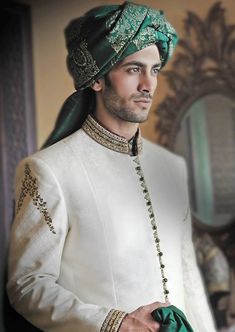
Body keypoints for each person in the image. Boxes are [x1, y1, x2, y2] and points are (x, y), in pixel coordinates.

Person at [7, 2, 216, 331]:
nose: (148, 84)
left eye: (155, 69)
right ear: (97, 79)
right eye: (134, 69)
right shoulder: (49, 170)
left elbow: (188, 277)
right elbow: (27, 285)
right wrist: (115, 323)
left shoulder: (172, 167)